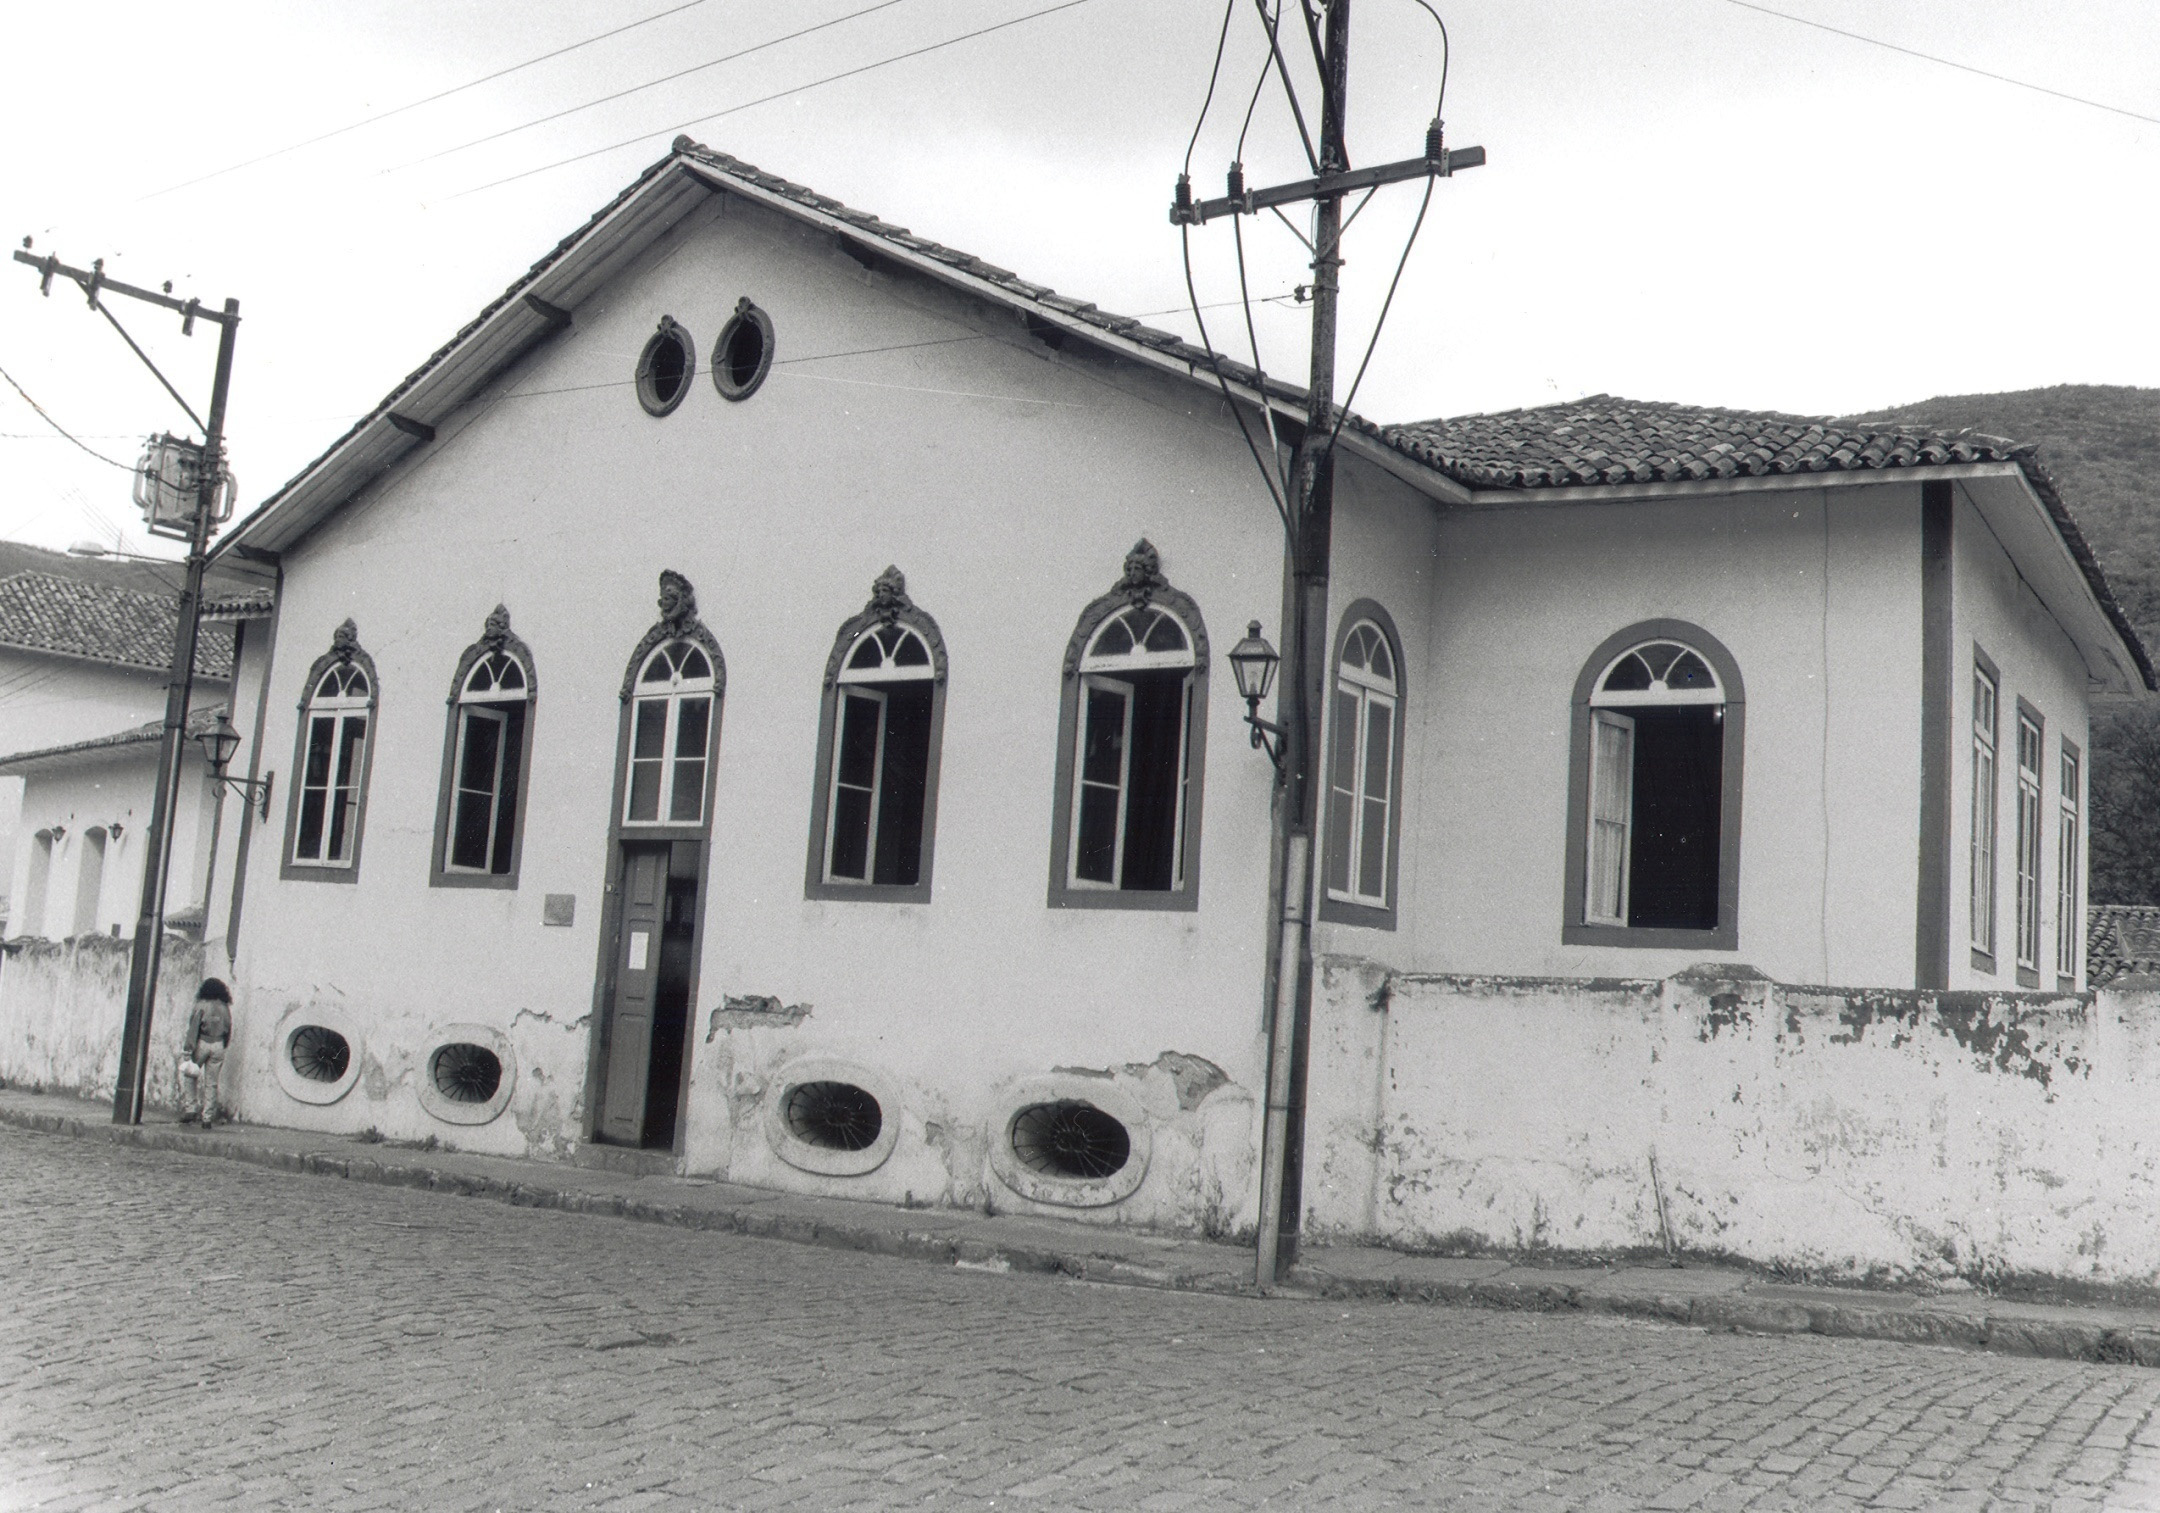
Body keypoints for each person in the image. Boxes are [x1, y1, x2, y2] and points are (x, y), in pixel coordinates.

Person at [177, 979, 233, 1126]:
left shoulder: (201, 1005)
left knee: (190, 1075)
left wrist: (188, 1049)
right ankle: (207, 1117)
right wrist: (223, 1044)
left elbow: (193, 1028)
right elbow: (229, 1028)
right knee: (212, 1083)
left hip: (203, 1042)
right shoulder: (224, 1007)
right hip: (219, 1044)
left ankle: (191, 1108)